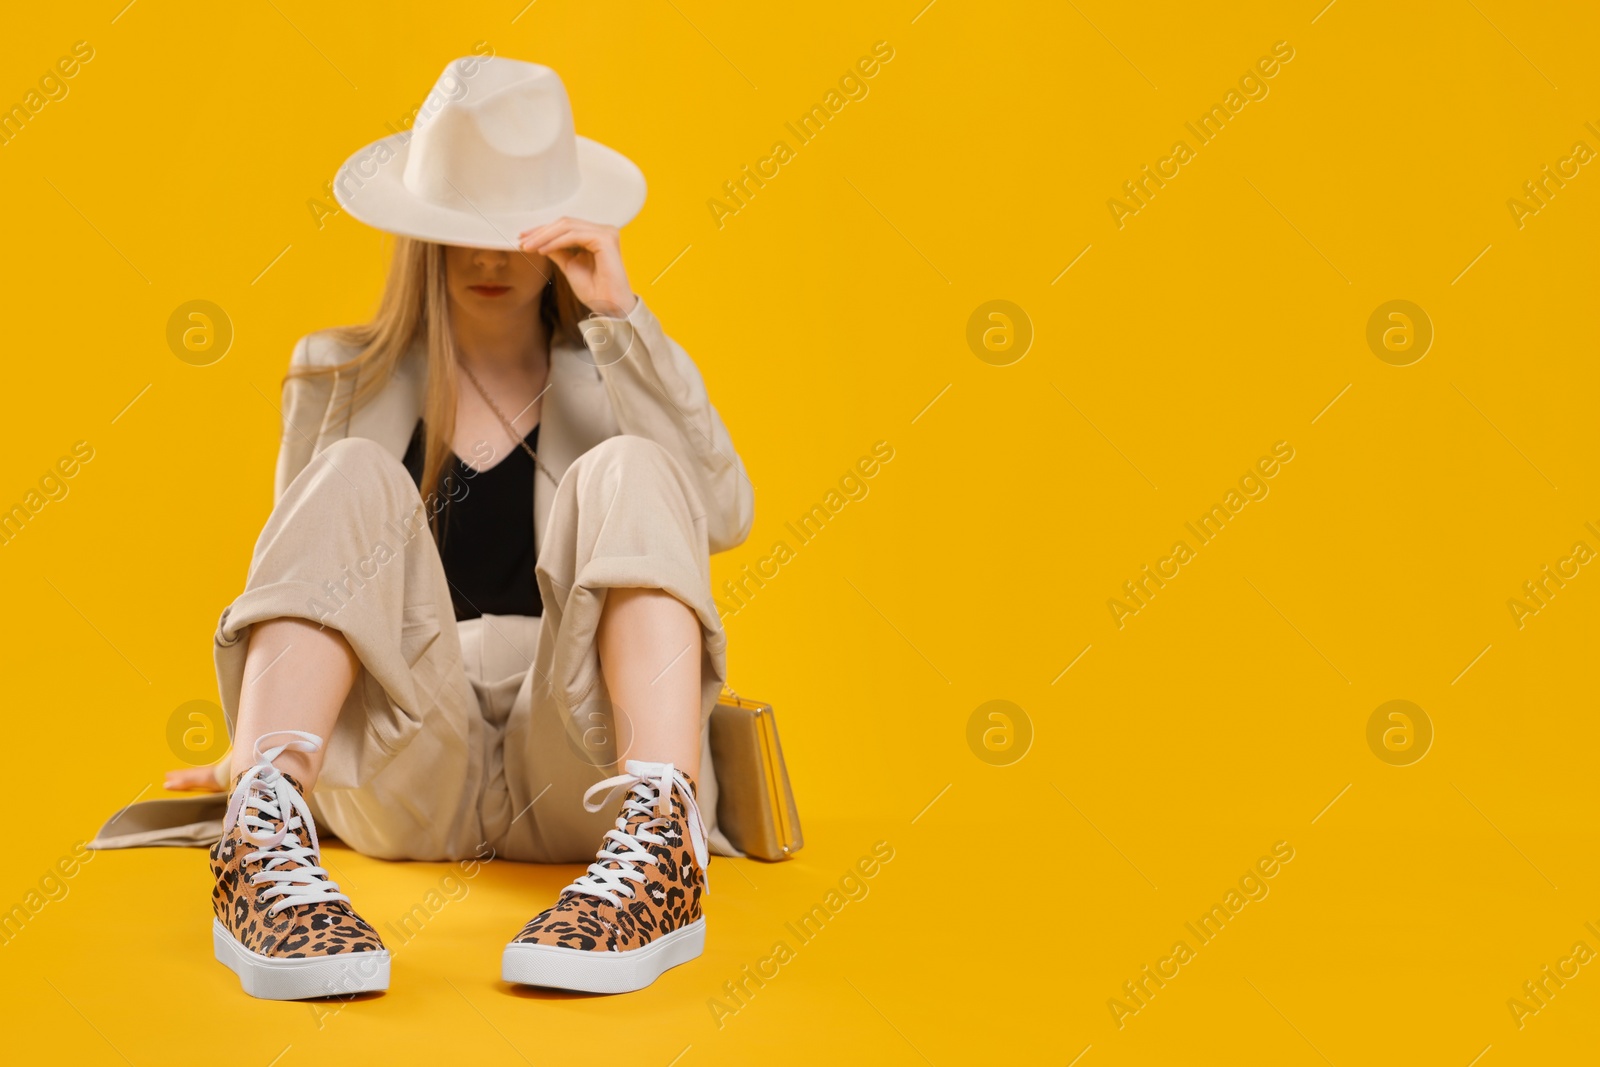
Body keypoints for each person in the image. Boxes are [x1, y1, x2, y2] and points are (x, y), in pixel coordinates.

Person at [186, 56, 753, 1001]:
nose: (490, 260)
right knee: (353, 472)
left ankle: (661, 842)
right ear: (421, 236)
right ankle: (264, 832)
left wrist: (625, 321)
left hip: (577, 760)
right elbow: (301, 575)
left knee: (633, 466)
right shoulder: (335, 379)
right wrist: (254, 745)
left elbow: (721, 513)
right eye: (463, 233)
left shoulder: (611, 372)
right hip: (409, 767)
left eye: (513, 233)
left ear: (559, 235)